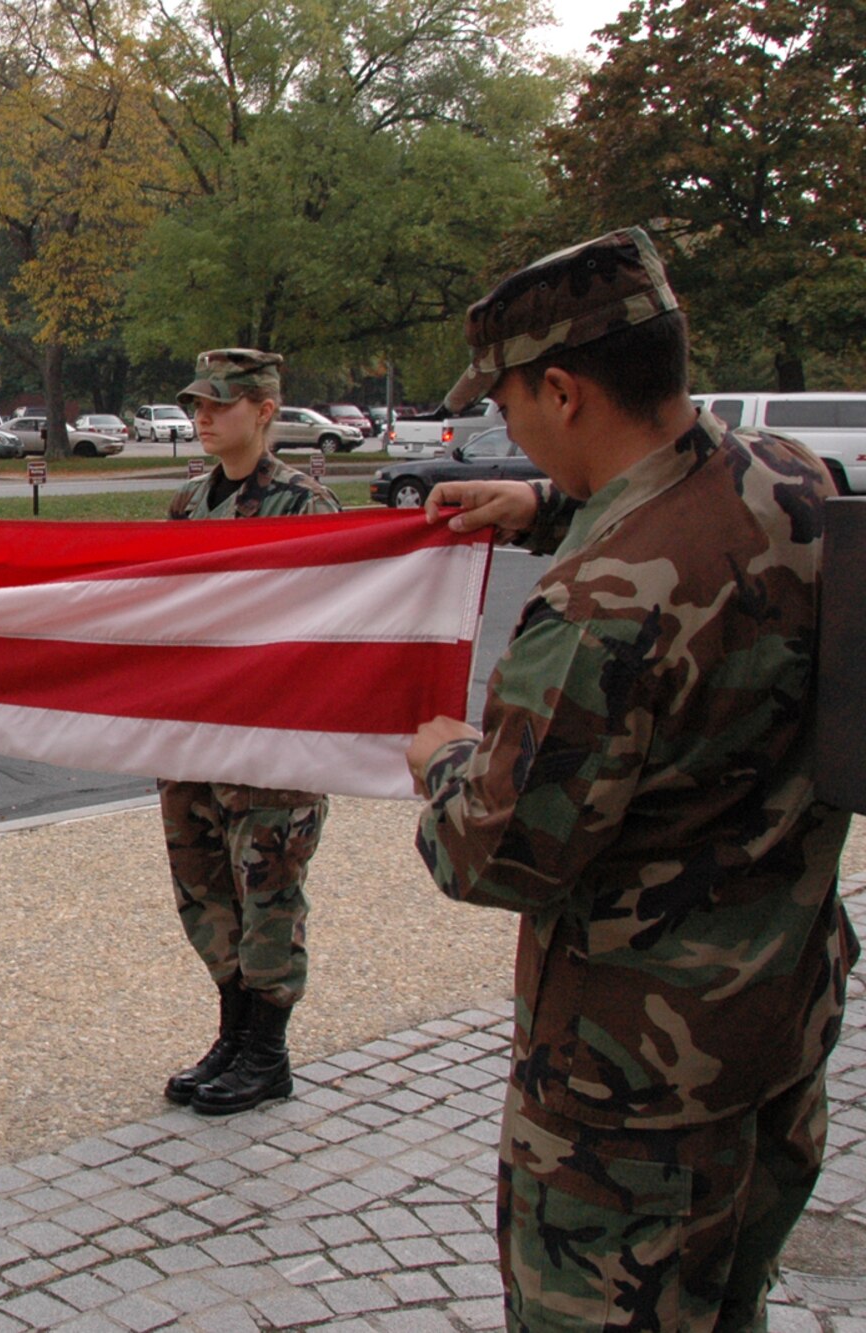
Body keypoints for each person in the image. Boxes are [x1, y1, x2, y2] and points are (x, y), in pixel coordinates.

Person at [406, 228, 856, 1331]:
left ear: (560, 389)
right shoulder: (795, 478)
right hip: (771, 1034)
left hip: (628, 1105)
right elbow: (703, 530)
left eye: (506, 407)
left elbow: (497, 853)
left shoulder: (595, 609)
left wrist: (440, 763)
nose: (502, 429)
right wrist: (541, 503)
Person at [155, 349, 338, 1117]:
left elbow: (324, 625)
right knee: (204, 884)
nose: (203, 416)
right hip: (195, 734)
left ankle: (268, 1051)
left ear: (264, 410)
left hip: (269, 741)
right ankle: (232, 1033)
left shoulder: (305, 505)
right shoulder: (188, 503)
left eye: (220, 404)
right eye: (197, 404)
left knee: (267, 889)